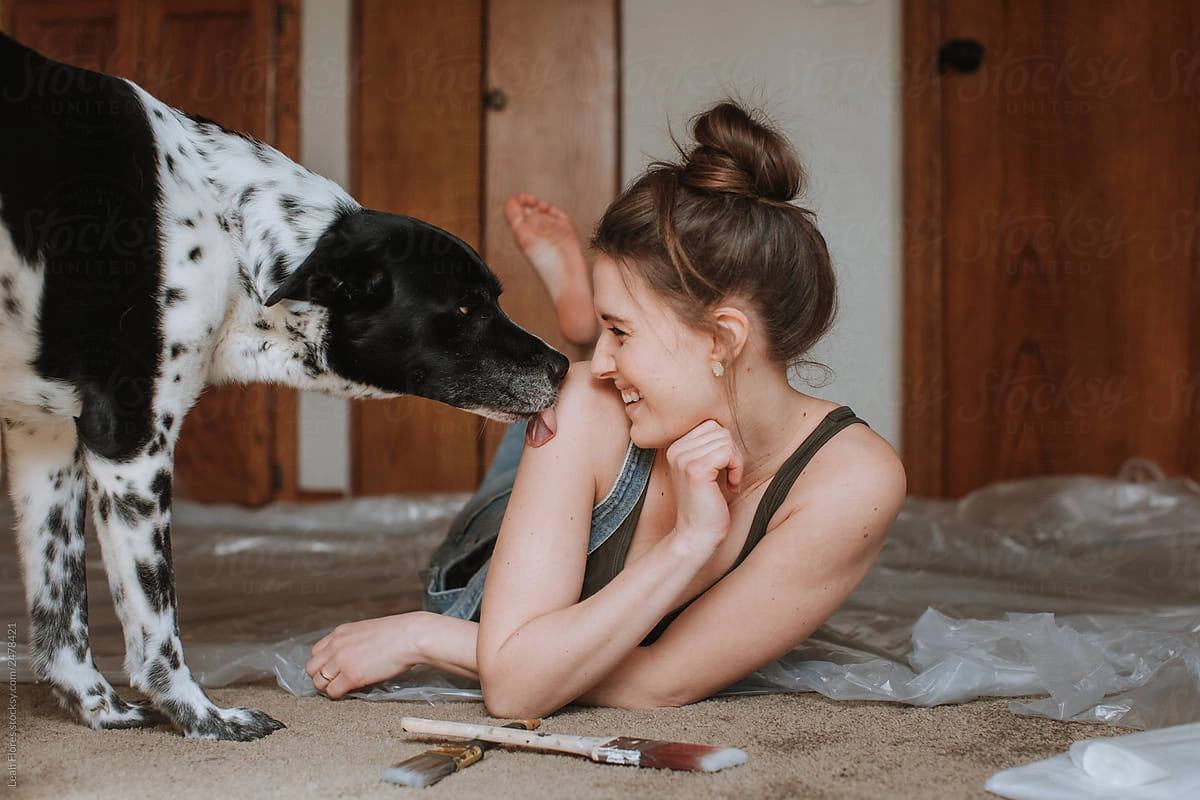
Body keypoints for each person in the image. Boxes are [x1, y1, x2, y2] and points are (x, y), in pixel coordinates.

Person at [306, 101, 906, 717]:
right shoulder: (591, 399)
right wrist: (685, 543)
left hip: (600, 450)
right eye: (606, 331)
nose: (604, 359)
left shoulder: (852, 483)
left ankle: (577, 319)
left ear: (723, 340)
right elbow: (517, 687)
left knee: (572, 395)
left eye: (619, 331)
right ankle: (579, 323)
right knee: (555, 399)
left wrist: (424, 636)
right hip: (495, 558)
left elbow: (649, 682)